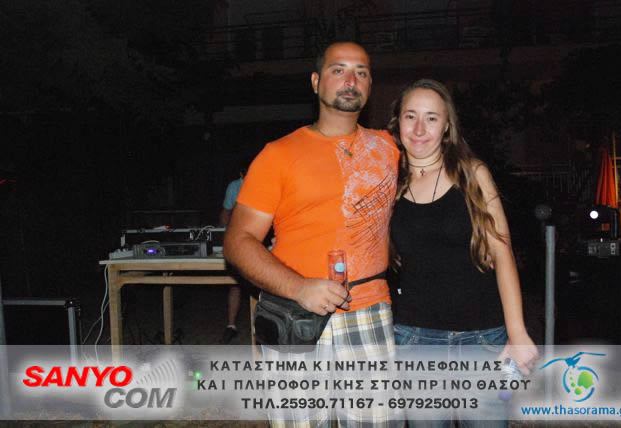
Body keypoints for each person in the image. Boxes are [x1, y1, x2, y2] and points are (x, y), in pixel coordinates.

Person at [224, 41, 401, 427]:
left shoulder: (389, 148)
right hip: (294, 313)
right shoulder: (278, 155)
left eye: (361, 72)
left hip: (369, 311)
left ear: (370, 86)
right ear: (316, 82)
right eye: (339, 70)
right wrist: (299, 287)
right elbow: (238, 241)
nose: (351, 80)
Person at [387, 79, 538, 426]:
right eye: (411, 116)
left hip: (482, 339)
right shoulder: (388, 182)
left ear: (447, 127)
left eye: (431, 118)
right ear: (398, 122)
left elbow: (502, 253)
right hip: (416, 340)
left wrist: (517, 332)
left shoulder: (472, 174)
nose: (420, 129)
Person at [219, 163, 248, 344]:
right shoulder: (234, 187)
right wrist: (223, 236)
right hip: (238, 236)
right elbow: (225, 213)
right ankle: (231, 325)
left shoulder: (265, 182)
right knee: (235, 282)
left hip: (262, 236)